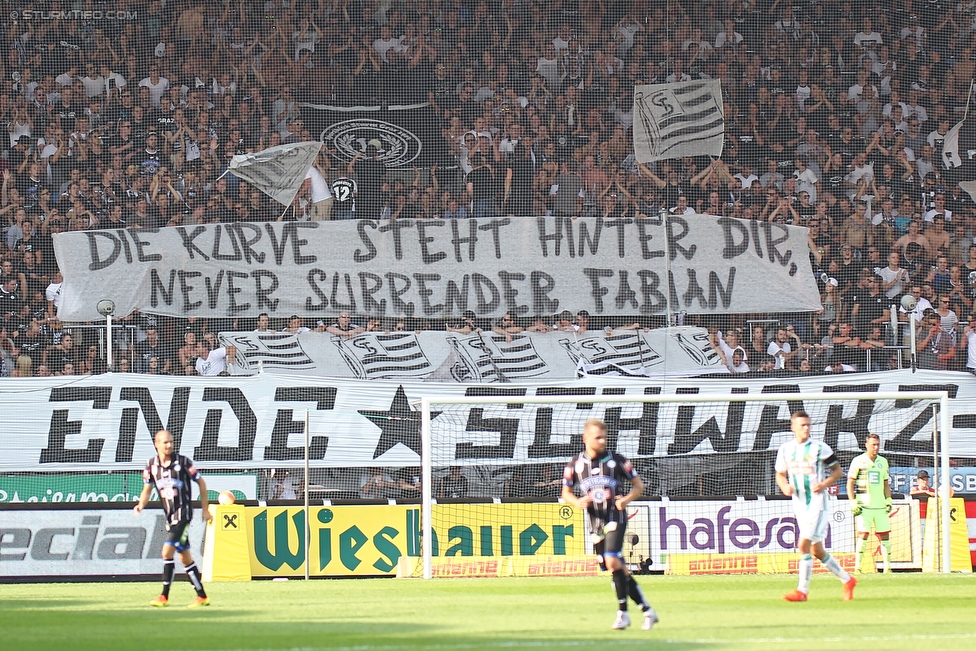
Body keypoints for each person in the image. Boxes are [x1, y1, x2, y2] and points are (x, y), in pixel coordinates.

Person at [562, 419, 657, 630]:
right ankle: (646, 610)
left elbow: (638, 486)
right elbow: (566, 492)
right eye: (598, 437)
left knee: (613, 560)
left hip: (616, 516)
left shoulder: (617, 461)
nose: (603, 441)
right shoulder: (575, 464)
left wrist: (625, 500)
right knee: (613, 568)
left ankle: (622, 613)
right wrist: (577, 502)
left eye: (605, 437)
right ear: (585, 439)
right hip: (595, 522)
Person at [775, 410, 856, 602]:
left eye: (808, 425)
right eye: (802, 425)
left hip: (817, 504)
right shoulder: (785, 449)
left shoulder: (820, 448)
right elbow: (780, 473)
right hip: (799, 504)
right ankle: (848, 580)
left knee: (803, 545)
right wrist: (785, 486)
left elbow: (837, 471)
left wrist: (823, 484)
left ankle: (802, 591)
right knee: (817, 551)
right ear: (792, 427)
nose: (806, 428)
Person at [133, 429, 212, 608]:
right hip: (170, 517)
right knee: (185, 558)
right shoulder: (151, 466)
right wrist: (140, 504)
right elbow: (147, 489)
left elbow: (201, 482)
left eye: (171, 442)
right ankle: (202, 596)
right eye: (165, 442)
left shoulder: (183, 462)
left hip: (183, 515)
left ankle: (164, 596)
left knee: (166, 552)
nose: (169, 445)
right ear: (156, 444)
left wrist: (205, 509)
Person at [846, 433, 892, 572]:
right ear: (866, 445)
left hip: (880, 506)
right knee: (863, 534)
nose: (876, 447)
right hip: (864, 506)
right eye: (873, 445)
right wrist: (852, 501)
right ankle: (858, 567)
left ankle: (887, 568)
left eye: (878, 444)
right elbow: (850, 482)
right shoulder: (858, 461)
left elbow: (885, 483)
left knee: (885, 535)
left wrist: (888, 499)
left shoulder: (883, 461)